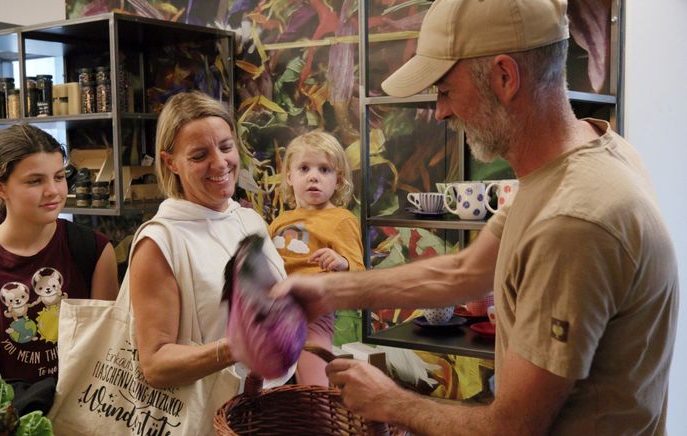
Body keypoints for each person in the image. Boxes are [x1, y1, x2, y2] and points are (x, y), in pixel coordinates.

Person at [271, 0, 679, 434]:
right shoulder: (584, 156)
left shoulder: (572, 222)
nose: (441, 111)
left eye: (445, 90)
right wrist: (328, 291)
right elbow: (464, 270)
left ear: (504, 77)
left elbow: (511, 428)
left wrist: (391, 403)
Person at [126, 91, 291, 433]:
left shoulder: (248, 220)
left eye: (226, 147)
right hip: (208, 422)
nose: (220, 163)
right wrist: (237, 345)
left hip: (271, 413)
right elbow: (155, 365)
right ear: (170, 162)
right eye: (200, 155)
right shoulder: (160, 242)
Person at [0, 124, 119, 384]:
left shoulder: (94, 250)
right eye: (35, 181)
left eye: (59, 177)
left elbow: (110, 356)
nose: (53, 191)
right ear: (0, 188)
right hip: (12, 420)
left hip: (83, 415)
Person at [268, 131, 364, 386]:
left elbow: (361, 275)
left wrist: (342, 262)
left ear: (338, 180)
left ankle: (319, 411)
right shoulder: (279, 221)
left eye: (324, 170)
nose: (314, 176)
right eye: (304, 168)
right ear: (288, 176)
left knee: (312, 372)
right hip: (275, 308)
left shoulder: (341, 219)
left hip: (313, 310)